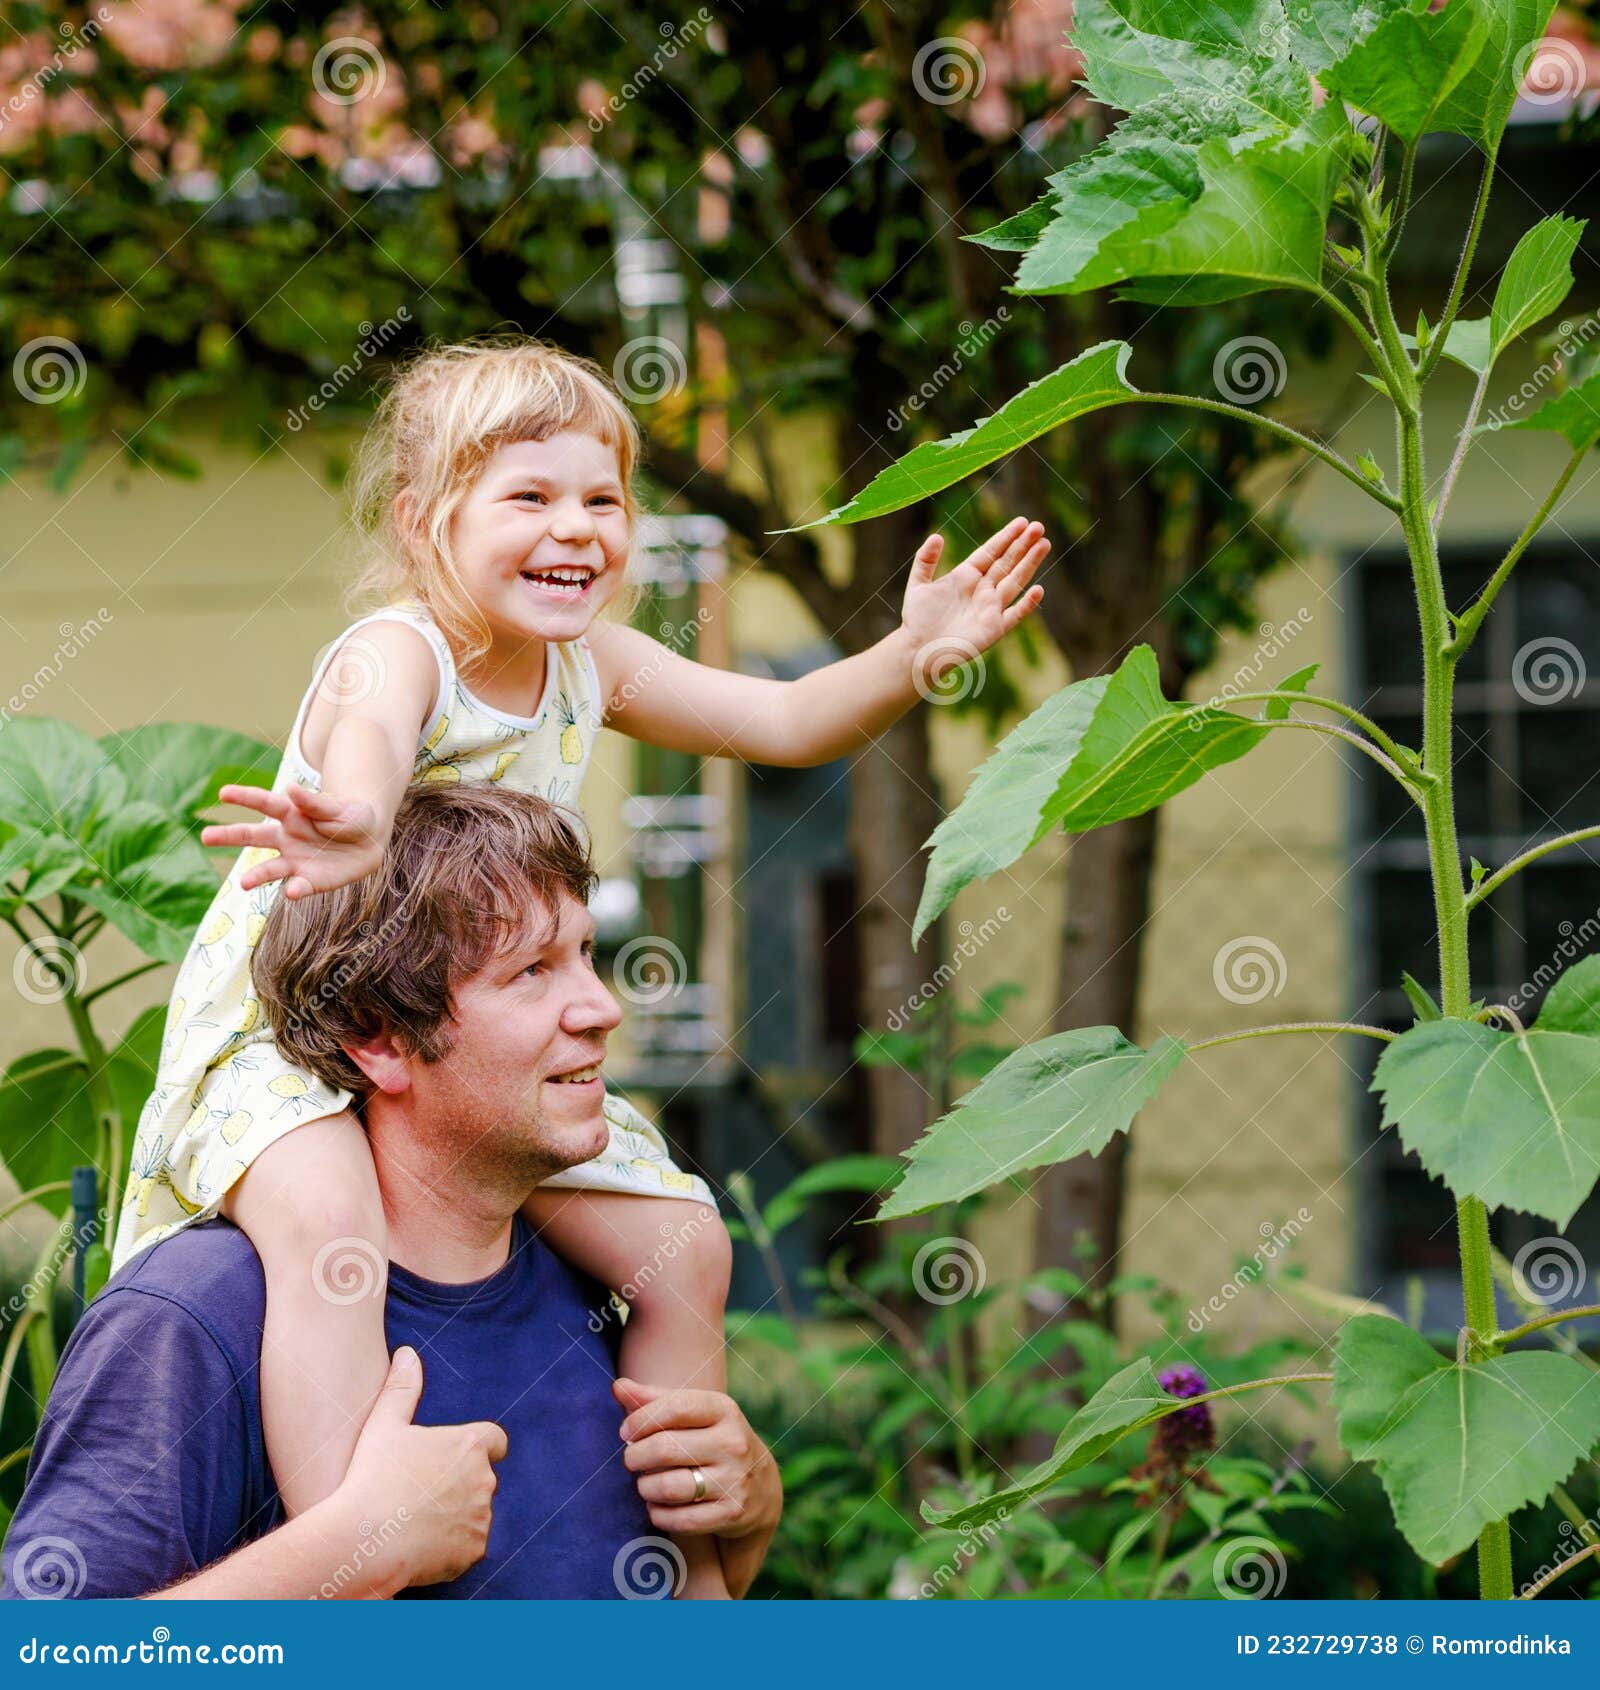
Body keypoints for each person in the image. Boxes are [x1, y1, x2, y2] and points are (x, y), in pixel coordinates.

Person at [114, 335, 1048, 1596]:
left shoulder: (587, 665)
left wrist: (912, 655)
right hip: (300, 1035)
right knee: (330, 1223)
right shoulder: (399, 649)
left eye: (602, 498)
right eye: (529, 497)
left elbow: (777, 723)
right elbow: (376, 739)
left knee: (684, 1240)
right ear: (423, 521)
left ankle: (692, 1577)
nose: (578, 528)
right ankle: (365, 1553)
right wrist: (355, 813)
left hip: (467, 1051)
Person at [3, 785, 780, 1600]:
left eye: (586, 954)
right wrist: (350, 1552)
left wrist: (749, 1514)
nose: (602, 1008)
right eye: (532, 972)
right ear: (378, 1037)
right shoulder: (196, 1317)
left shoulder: (603, 1283)